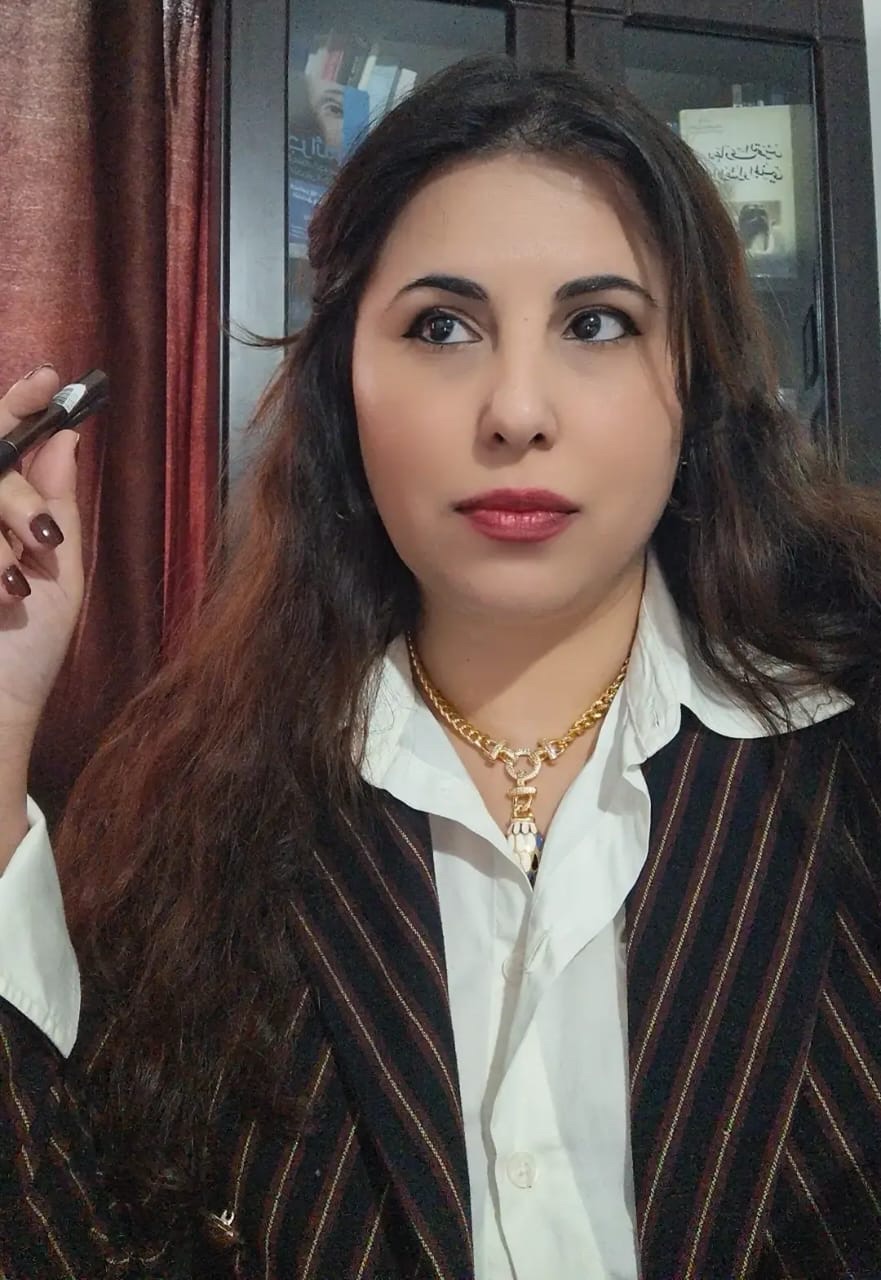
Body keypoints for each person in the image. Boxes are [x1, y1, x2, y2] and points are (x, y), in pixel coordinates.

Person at [1, 54, 881, 1280]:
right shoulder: (187, 825)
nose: (515, 410)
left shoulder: (851, 764)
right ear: (343, 387)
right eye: (441, 326)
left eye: (595, 323)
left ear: (693, 379)